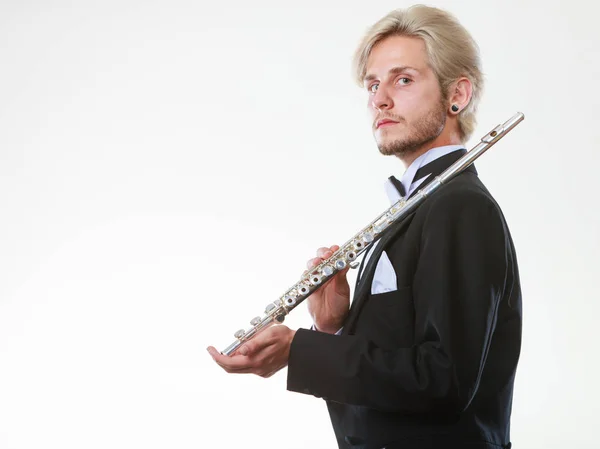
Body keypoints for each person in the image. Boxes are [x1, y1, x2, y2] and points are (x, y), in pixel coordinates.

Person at [207, 5, 522, 449]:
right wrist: (334, 327)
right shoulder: (420, 206)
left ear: (458, 95)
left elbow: (443, 381)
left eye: (403, 79)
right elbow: (392, 387)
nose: (380, 99)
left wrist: (299, 350)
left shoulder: (461, 207)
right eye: (373, 84)